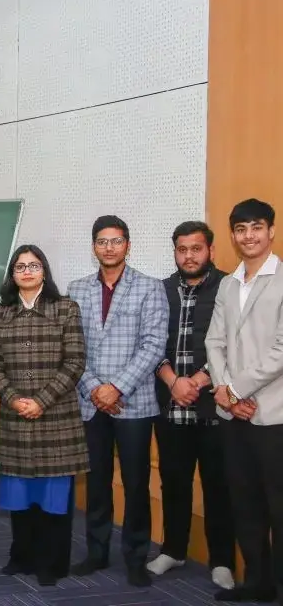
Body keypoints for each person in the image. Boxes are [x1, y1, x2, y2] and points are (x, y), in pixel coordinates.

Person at [67, 215, 167, 587]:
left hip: (134, 403)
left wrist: (117, 387)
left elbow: (154, 345)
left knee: (137, 482)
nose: (109, 247)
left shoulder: (149, 288)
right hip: (90, 401)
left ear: (128, 244)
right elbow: (71, 347)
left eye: (116, 240)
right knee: (96, 481)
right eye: (102, 241)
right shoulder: (76, 290)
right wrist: (95, 387)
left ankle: (136, 557)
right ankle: (96, 552)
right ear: (94, 246)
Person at [0, 245, 88, 586]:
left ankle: (52, 563)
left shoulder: (66, 309)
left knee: (53, 497)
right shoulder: (0, 314)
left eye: (33, 265)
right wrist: (15, 400)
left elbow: (75, 362)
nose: (27, 271)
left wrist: (41, 401)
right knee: (19, 495)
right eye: (20, 267)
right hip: (16, 416)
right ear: (12, 275)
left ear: (44, 271)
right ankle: (22, 556)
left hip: (56, 416)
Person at [148, 221, 234, 589]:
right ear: (175, 253)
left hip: (213, 406)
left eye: (196, 249)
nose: (189, 256)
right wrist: (172, 381)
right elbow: (150, 341)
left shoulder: (230, 287)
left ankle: (222, 561)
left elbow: (234, 341)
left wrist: (198, 381)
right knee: (174, 482)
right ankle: (173, 549)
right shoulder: (161, 290)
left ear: (210, 251)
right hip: (170, 406)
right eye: (182, 249)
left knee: (219, 486)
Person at [206, 198, 283, 602]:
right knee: (245, 502)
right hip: (232, 414)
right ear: (233, 235)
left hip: (273, 414)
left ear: (271, 230)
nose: (248, 236)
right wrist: (224, 391)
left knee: (279, 507)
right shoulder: (228, 282)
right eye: (240, 229)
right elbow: (213, 341)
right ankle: (258, 583)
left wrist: (237, 389)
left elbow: (280, 350)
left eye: (256, 227)